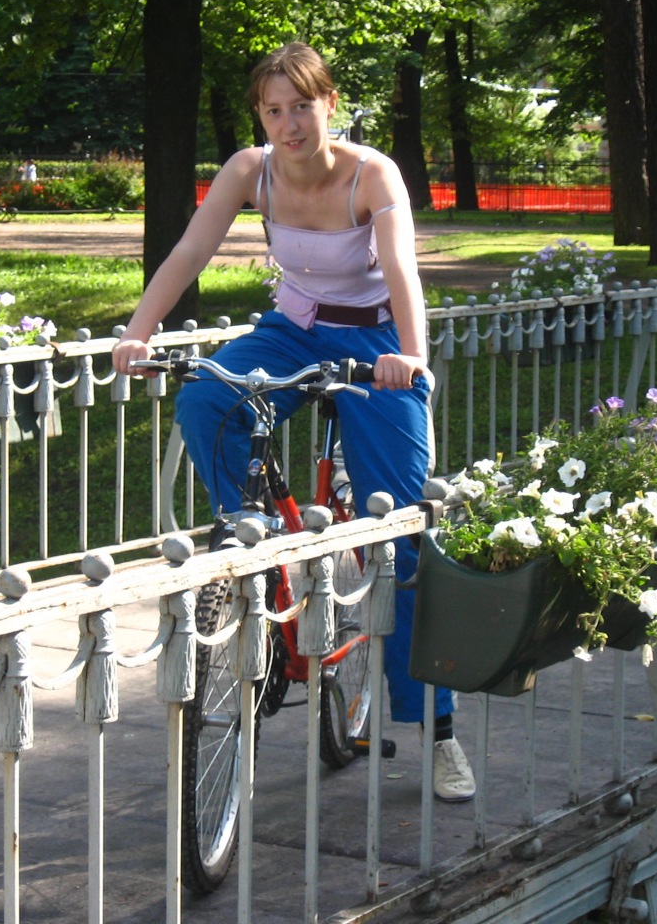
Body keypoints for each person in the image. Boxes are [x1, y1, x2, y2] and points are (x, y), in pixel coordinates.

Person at [111, 42, 475, 802]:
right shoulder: (251, 171)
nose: (290, 125)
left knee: (402, 533)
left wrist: (410, 357)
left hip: (375, 343)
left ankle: (437, 727)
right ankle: (255, 542)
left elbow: (402, 271)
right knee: (207, 399)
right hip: (294, 330)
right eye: (274, 111)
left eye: (302, 107)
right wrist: (138, 335)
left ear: (329, 104)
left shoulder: (371, 174)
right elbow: (189, 251)